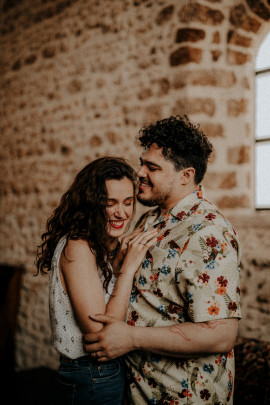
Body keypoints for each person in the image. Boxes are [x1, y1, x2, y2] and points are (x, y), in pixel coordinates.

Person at [84, 116, 241, 404]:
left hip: (184, 397)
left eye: (152, 168)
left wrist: (131, 337)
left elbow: (221, 335)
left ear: (186, 175)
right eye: (142, 162)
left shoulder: (208, 232)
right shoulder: (151, 218)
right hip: (138, 392)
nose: (139, 173)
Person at [36, 156, 158, 405]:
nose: (121, 212)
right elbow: (103, 335)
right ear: (91, 203)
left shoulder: (95, 246)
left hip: (100, 376)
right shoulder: (78, 247)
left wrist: (117, 262)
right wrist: (129, 268)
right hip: (92, 376)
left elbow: (101, 293)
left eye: (127, 202)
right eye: (109, 202)